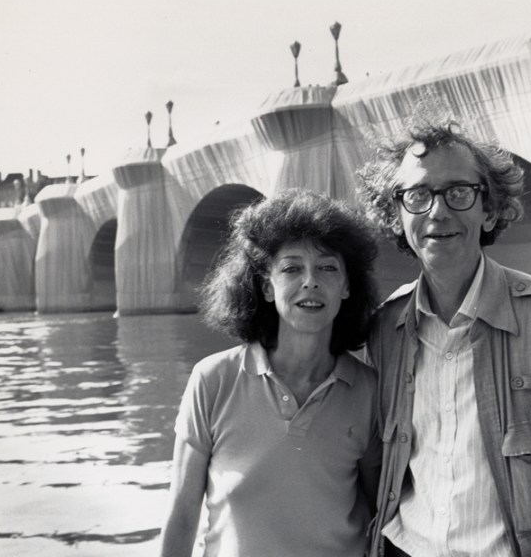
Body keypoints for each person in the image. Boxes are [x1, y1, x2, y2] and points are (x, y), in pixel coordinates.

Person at [357, 114, 531, 557]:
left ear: (489, 209)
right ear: (396, 216)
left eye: (458, 192)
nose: (437, 211)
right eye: (417, 195)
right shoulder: (384, 330)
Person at [158, 188, 381, 557]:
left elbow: (379, 515)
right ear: (265, 285)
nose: (310, 281)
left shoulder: (370, 390)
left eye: (327, 268)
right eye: (292, 268)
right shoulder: (213, 380)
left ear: (345, 287)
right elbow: (182, 516)